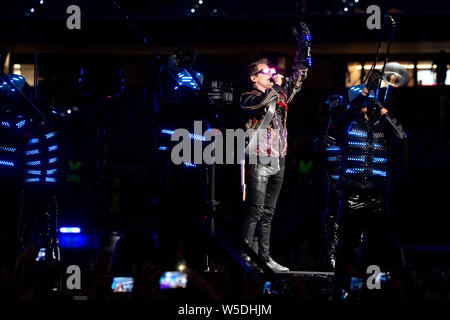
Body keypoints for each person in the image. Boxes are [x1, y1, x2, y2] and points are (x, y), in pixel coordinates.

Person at [239, 22, 310, 272]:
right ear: (253, 77)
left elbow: (299, 75)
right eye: (264, 71)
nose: (270, 74)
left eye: (270, 71)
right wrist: (277, 85)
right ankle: (245, 257)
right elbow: (261, 104)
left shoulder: (278, 94)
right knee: (255, 210)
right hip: (259, 158)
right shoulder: (249, 96)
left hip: (277, 159)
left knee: (269, 212)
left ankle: (265, 257)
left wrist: (304, 45)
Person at [332, 71, 407, 298]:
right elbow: (338, 125)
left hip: (377, 198)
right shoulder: (348, 124)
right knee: (347, 247)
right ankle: (341, 291)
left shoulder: (382, 127)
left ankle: (373, 291)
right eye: (364, 101)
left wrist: (381, 107)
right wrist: (364, 93)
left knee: (377, 249)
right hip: (353, 195)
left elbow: (402, 135)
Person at [313, 95, 347, 271]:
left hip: (344, 179)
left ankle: (343, 256)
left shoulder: (347, 123)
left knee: (344, 219)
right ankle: (331, 255)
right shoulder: (324, 126)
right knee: (330, 218)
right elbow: (317, 145)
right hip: (329, 181)